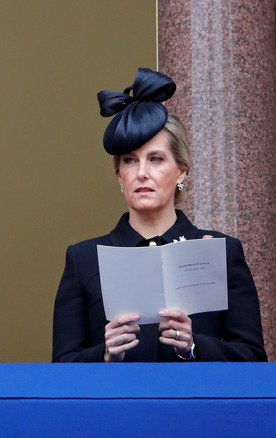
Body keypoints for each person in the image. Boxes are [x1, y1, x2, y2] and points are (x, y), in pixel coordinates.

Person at [52, 68, 266, 362]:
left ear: (181, 170)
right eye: (130, 160)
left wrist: (194, 346)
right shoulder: (83, 258)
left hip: (195, 407)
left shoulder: (221, 251)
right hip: (116, 407)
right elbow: (61, 367)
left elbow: (253, 358)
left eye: (156, 159)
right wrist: (104, 355)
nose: (141, 173)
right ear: (119, 175)